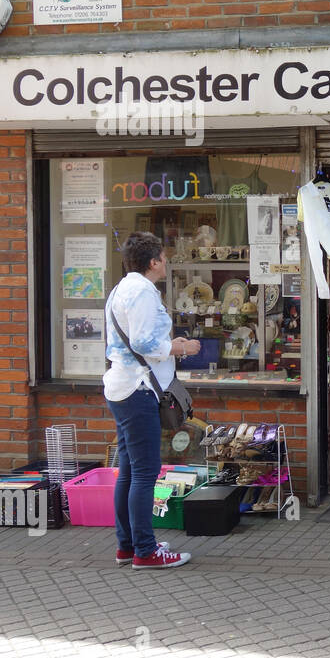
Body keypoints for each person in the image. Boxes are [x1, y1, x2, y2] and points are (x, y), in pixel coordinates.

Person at [104, 232, 202, 570]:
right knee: (146, 473)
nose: (166, 262)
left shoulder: (121, 289)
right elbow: (145, 342)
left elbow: (137, 339)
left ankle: (127, 546)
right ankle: (145, 552)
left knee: (130, 471)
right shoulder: (143, 292)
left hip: (123, 387)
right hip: (138, 389)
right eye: (163, 257)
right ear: (153, 262)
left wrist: (167, 342)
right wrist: (182, 347)